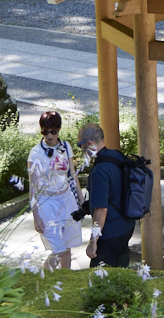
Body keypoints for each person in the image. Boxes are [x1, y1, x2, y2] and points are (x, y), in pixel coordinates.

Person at [27, 111, 83, 270]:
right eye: (45, 131)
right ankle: (43, 280)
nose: (49, 135)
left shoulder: (65, 147)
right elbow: (33, 188)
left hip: (67, 201)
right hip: (47, 204)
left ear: (59, 130)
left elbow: (73, 176)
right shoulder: (35, 153)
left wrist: (83, 202)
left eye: (53, 131)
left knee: (67, 247)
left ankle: (66, 280)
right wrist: (36, 216)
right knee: (59, 250)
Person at [78, 123, 136, 268]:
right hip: (127, 226)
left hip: (110, 233)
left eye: (80, 145)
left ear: (89, 143)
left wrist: (93, 242)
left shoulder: (99, 171)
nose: (80, 149)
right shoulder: (115, 155)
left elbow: (101, 210)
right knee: (122, 273)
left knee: (100, 281)